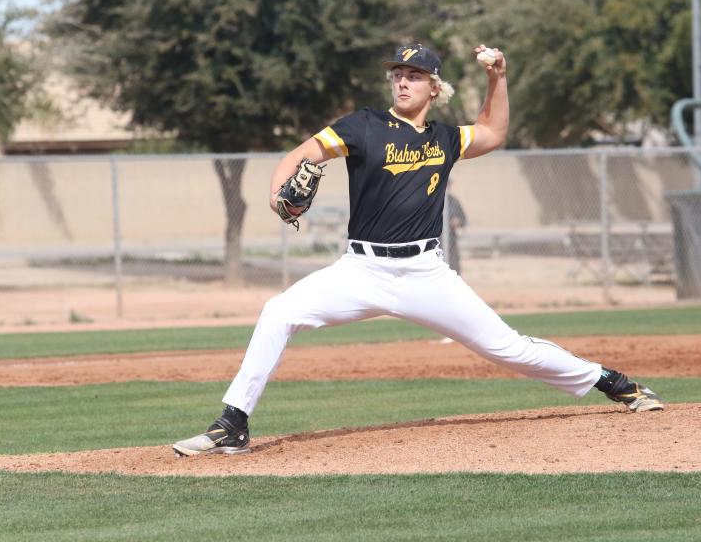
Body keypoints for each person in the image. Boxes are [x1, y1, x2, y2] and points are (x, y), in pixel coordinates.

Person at [172, 42, 664, 457]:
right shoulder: (361, 126)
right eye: (398, 74)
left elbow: (493, 133)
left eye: (414, 75)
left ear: (435, 88)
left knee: (506, 347)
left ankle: (614, 383)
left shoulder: (446, 138)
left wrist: (498, 79)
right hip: (361, 269)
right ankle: (233, 424)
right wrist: (279, 195)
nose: (402, 82)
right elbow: (300, 156)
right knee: (279, 311)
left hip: (426, 273)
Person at [445, 190, 467, 274]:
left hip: (451, 241)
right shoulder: (432, 200)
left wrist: (458, 221)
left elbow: (463, 219)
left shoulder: (453, 201)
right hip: (436, 242)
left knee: (454, 268)